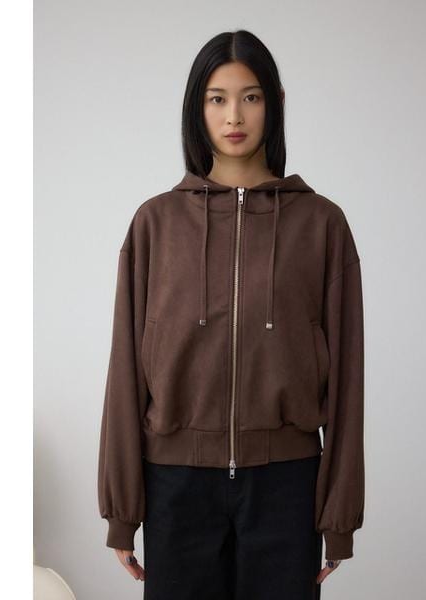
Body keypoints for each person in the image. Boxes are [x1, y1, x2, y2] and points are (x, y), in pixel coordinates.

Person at [97, 29, 365, 600]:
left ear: (276, 103)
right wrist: (122, 511)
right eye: (216, 98)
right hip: (176, 486)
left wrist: (338, 517)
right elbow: (125, 371)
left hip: (287, 487)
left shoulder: (321, 225)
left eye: (251, 97)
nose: (234, 115)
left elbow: (348, 376)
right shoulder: (155, 224)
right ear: (197, 109)